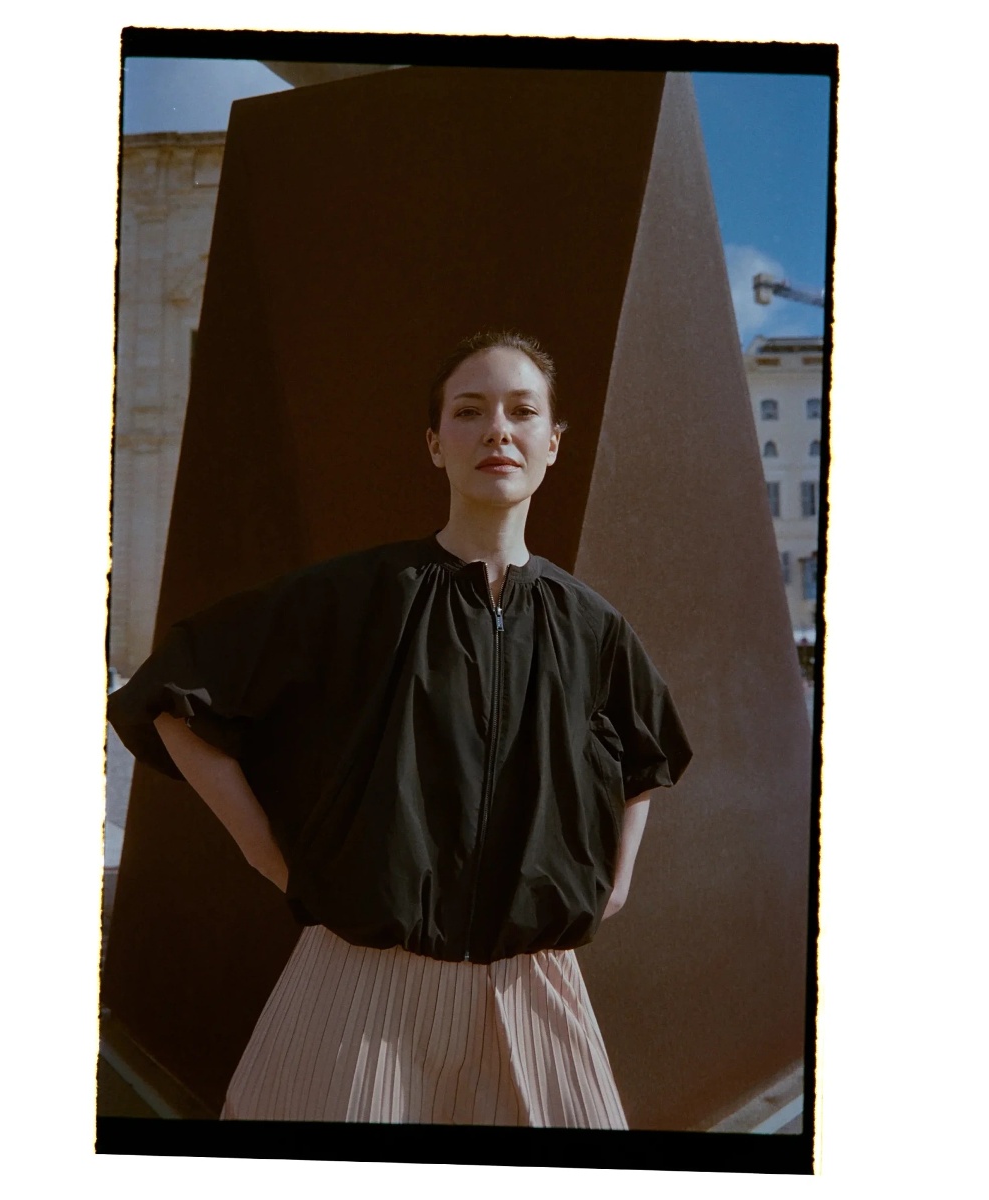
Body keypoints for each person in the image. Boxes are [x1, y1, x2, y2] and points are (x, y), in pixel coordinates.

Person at [107, 330, 692, 1128]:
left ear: (553, 443)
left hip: (535, 993)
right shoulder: (358, 595)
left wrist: (614, 883)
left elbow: (646, 756)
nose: (497, 430)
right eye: (469, 411)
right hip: (360, 992)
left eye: (522, 412)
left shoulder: (594, 626)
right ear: (435, 443)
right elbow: (174, 695)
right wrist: (274, 859)